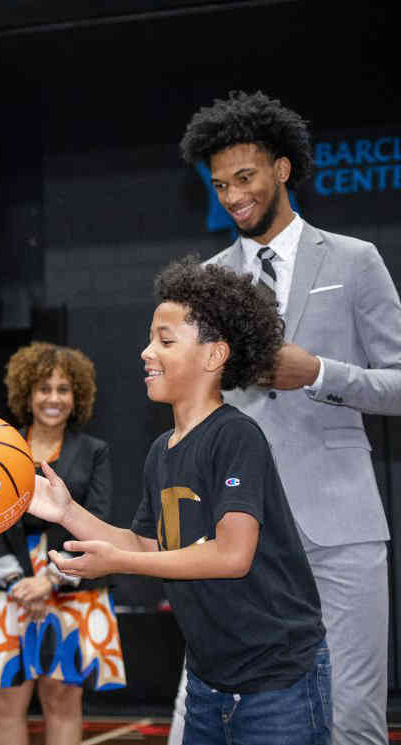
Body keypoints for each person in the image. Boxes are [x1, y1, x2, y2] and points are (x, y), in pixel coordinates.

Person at [170, 90, 401, 745]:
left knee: (350, 719)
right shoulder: (207, 283)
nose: (233, 196)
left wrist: (322, 373)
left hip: (338, 527)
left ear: (282, 168)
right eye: (220, 185)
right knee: (230, 718)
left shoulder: (354, 261)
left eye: (245, 177)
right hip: (241, 537)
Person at [31, 258, 330, 742]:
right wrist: (66, 511)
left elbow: (232, 555)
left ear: (214, 356)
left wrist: (121, 563)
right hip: (210, 681)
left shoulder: (236, 436)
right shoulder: (161, 452)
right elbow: (147, 545)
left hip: (279, 680)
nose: (147, 351)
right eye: (151, 338)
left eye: (165, 340)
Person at [0, 343, 124, 745]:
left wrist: (51, 580)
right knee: (5, 705)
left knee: (62, 703)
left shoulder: (95, 452)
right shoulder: (0, 448)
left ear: (77, 396)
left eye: (63, 389)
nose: (53, 398)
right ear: (27, 393)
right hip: (11, 586)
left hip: (73, 583)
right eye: (44, 388)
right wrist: (19, 584)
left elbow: (97, 523)